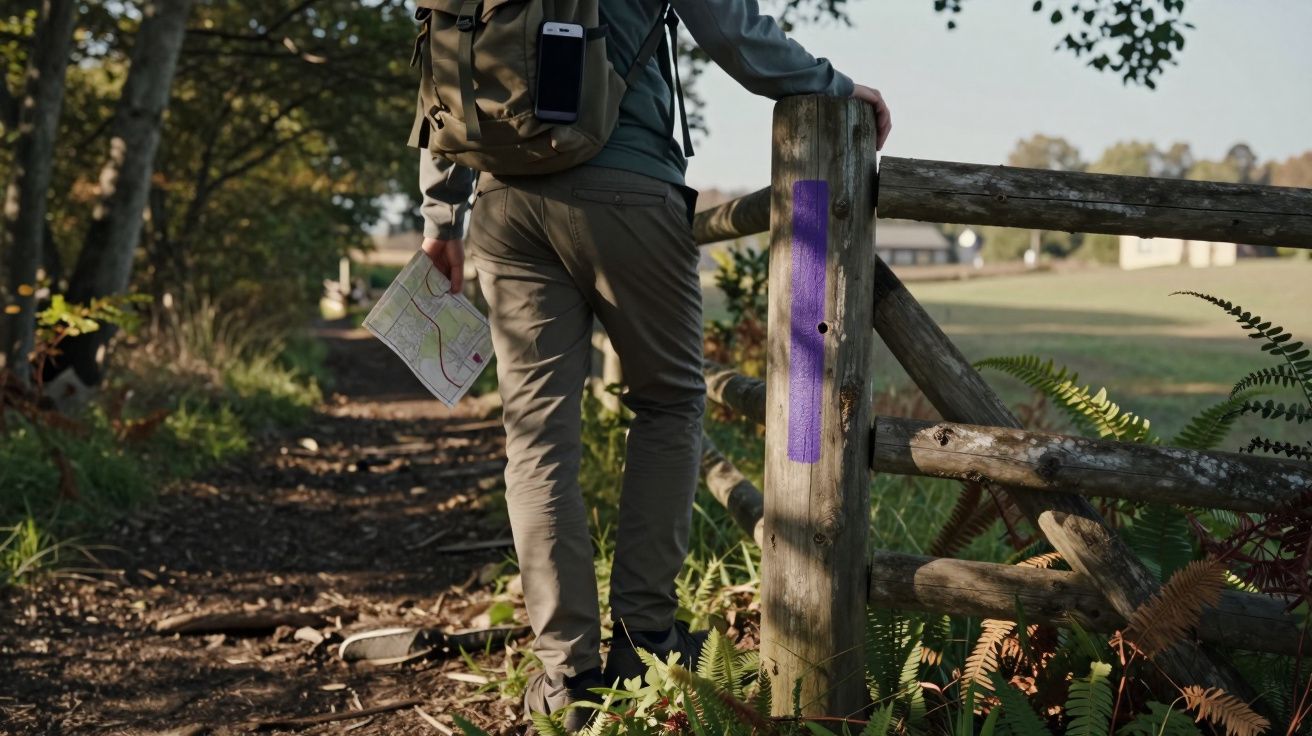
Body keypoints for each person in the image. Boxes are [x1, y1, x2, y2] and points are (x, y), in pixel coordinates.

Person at [419, 0, 890, 727]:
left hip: (503, 202)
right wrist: (836, 87)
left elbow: (444, 63)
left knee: (536, 437)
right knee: (669, 403)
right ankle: (644, 644)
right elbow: (732, 30)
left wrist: (440, 214)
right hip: (627, 186)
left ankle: (566, 678)